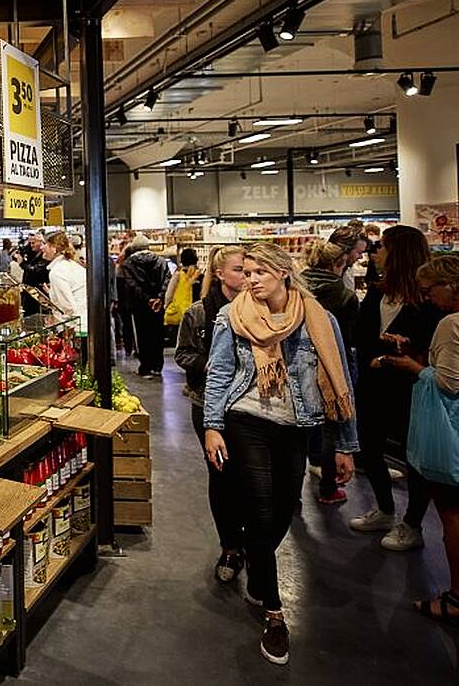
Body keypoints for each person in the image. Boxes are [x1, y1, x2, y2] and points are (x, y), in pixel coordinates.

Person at [202, 242, 358, 665]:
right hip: (245, 419)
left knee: (284, 510)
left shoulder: (318, 320)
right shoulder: (231, 316)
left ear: (284, 272)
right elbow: (219, 370)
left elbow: (341, 375)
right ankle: (274, 614)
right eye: (246, 272)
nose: (250, 281)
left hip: (297, 427)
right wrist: (213, 426)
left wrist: (344, 444)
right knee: (260, 509)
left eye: (258, 273)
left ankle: (255, 557)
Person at [348, 224, 442, 551]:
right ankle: (386, 509)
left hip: (411, 389)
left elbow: (428, 345)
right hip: (373, 385)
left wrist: (386, 354)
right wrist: (380, 353)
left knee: (414, 457)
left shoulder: (428, 301)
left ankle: (412, 524)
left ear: (398, 252)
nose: (375, 252)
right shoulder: (378, 291)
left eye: (382, 246)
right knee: (370, 448)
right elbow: (358, 334)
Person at [385, 254, 459, 622]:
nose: (428, 297)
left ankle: (456, 596)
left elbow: (448, 382)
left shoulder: (451, 324)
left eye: (432, 290)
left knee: (452, 513)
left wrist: (414, 366)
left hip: (450, 431)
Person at [175, 244, 247, 583]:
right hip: (208, 406)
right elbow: (184, 355)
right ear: (219, 273)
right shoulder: (200, 314)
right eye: (238, 270)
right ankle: (230, 545)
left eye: (250, 270)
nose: (246, 277)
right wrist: (217, 366)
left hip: (251, 410)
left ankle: (252, 542)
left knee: (252, 479)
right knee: (222, 478)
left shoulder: (260, 310)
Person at [300, 240, 361, 505]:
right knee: (329, 427)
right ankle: (328, 488)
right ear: (339, 264)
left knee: (300, 426)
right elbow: (349, 339)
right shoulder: (344, 295)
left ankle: (293, 491)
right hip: (332, 366)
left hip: (301, 365)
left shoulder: (297, 287)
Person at [120, 234, 171, 378]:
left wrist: (147, 299)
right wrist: (159, 298)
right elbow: (167, 280)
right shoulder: (161, 261)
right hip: (158, 305)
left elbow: (132, 285)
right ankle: (157, 367)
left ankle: (146, 368)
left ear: (134, 248)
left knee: (142, 336)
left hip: (140, 306)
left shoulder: (129, 264)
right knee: (157, 335)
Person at [42, 231, 87, 333]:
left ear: (54, 249)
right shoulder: (69, 264)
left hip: (78, 329)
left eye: (45, 244)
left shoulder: (57, 272)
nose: (42, 247)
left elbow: (69, 308)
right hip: (85, 324)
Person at [164, 247, 201, 331]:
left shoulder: (178, 275)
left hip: (180, 315)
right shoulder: (199, 275)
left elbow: (169, 295)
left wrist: (167, 306)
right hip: (196, 315)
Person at [329, 224, 369, 293]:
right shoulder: (325, 278)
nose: (361, 257)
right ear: (345, 251)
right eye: (359, 252)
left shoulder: (347, 271)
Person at [20, 231, 49, 316]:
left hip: (38, 294)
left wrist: (22, 263)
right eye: (30, 243)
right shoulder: (33, 255)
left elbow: (36, 271)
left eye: (33, 243)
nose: (31, 245)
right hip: (30, 293)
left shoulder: (44, 257)